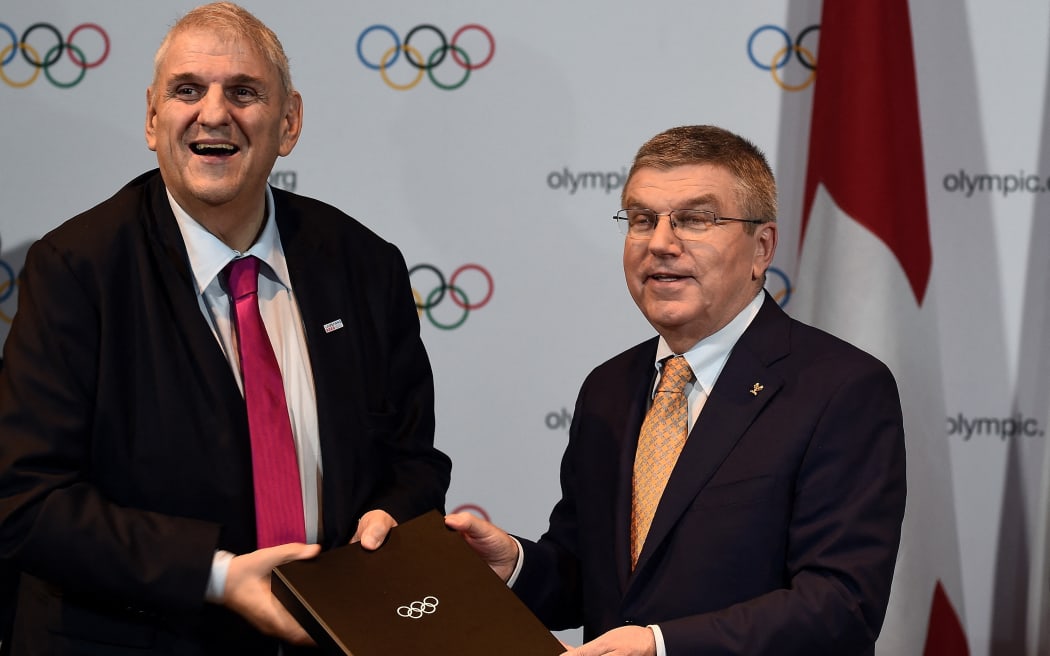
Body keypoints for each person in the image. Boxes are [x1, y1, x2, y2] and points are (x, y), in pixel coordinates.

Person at [0, 3, 451, 654]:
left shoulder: (362, 262)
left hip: (332, 634)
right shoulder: (78, 269)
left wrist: (390, 517)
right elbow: (27, 501)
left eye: (244, 92)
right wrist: (215, 575)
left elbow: (413, 459)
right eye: (188, 90)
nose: (214, 114)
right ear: (153, 120)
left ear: (288, 122)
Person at [446, 125, 906, 655]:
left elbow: (840, 604)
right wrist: (516, 565)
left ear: (762, 247)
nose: (660, 243)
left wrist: (662, 646)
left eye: (695, 219)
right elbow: (594, 582)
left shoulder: (840, 387)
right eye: (642, 220)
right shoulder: (609, 387)